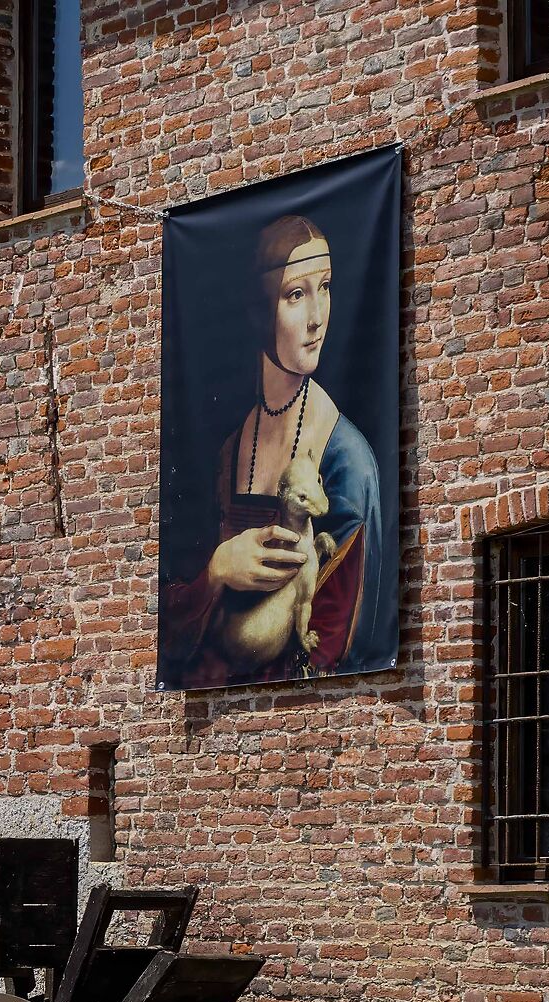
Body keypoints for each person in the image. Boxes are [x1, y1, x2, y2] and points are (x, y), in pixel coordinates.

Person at [162, 213, 390, 688]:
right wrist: (219, 569)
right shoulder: (230, 452)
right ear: (259, 308)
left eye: (325, 287)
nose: (317, 317)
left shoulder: (346, 462)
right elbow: (175, 630)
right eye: (295, 294)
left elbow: (336, 648)